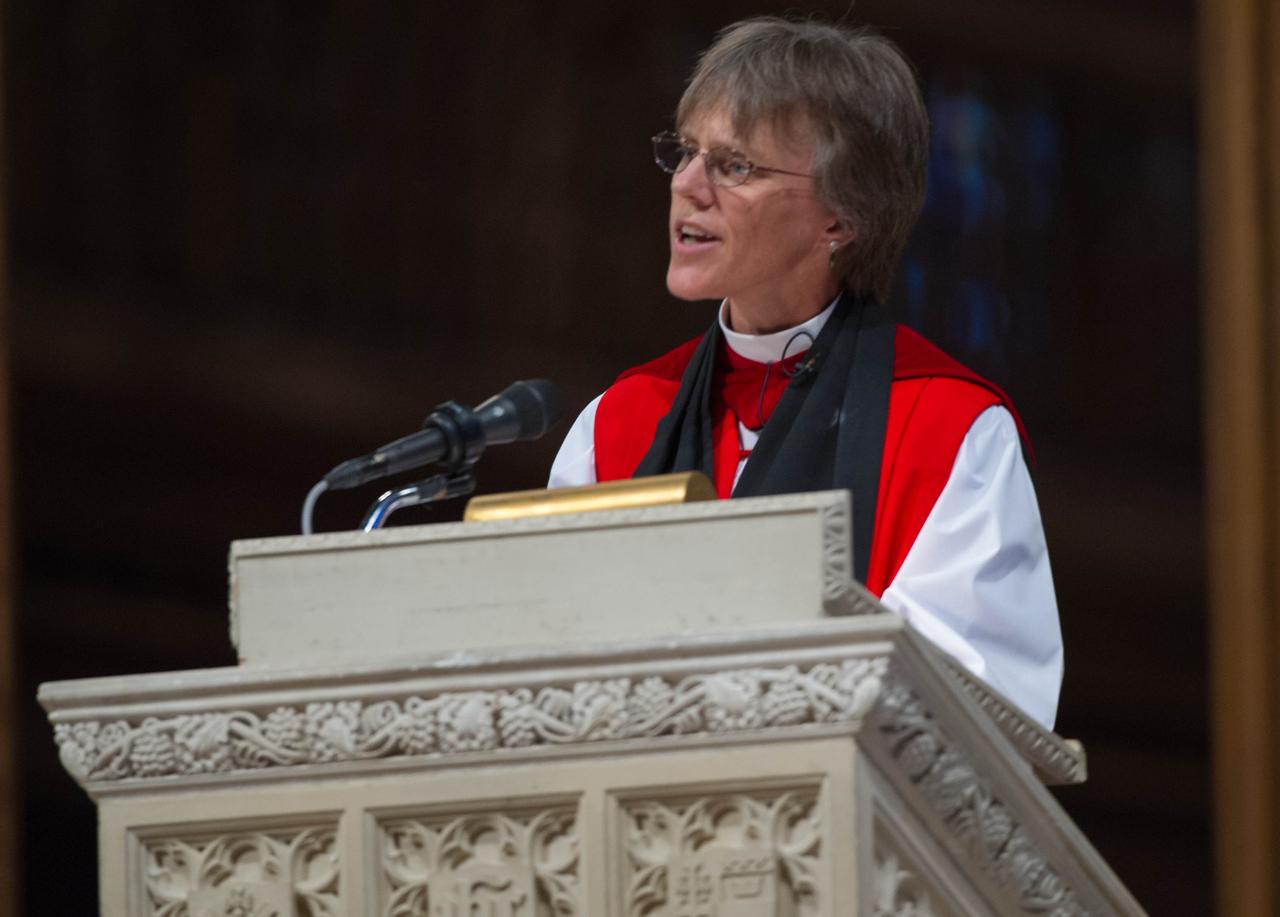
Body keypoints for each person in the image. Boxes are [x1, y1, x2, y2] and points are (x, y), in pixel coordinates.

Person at [548, 17, 1062, 729]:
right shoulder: (618, 423)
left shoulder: (948, 430)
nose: (689, 186)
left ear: (841, 219)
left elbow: (981, 711)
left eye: (736, 166)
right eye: (686, 153)